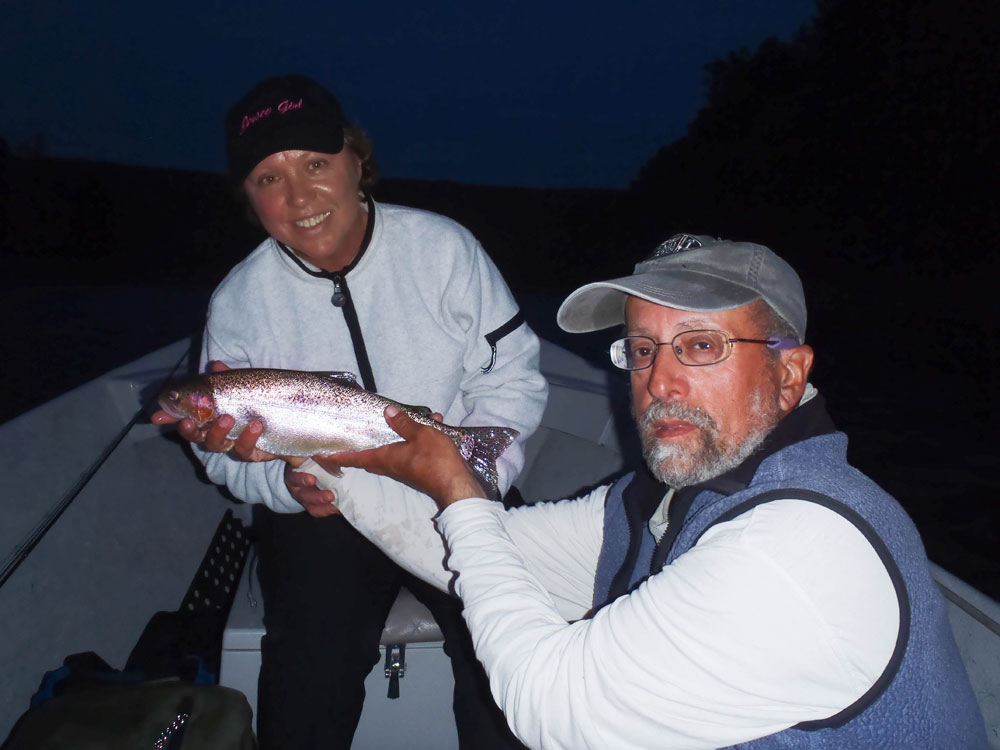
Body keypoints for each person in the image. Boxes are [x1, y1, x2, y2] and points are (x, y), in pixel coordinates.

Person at [305, 233, 988, 749]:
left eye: (701, 345)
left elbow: (554, 706)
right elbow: (483, 549)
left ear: (789, 375)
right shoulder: (671, 495)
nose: (659, 382)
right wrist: (318, 454)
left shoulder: (800, 551)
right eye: (642, 349)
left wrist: (461, 494)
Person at [152, 74, 546, 749]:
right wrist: (280, 481)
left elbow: (513, 378)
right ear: (249, 197)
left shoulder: (444, 250)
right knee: (307, 681)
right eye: (269, 178)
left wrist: (479, 478)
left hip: (456, 488)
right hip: (322, 510)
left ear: (356, 161)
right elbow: (223, 460)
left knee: (510, 665)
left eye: (315, 163)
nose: (299, 196)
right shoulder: (238, 302)